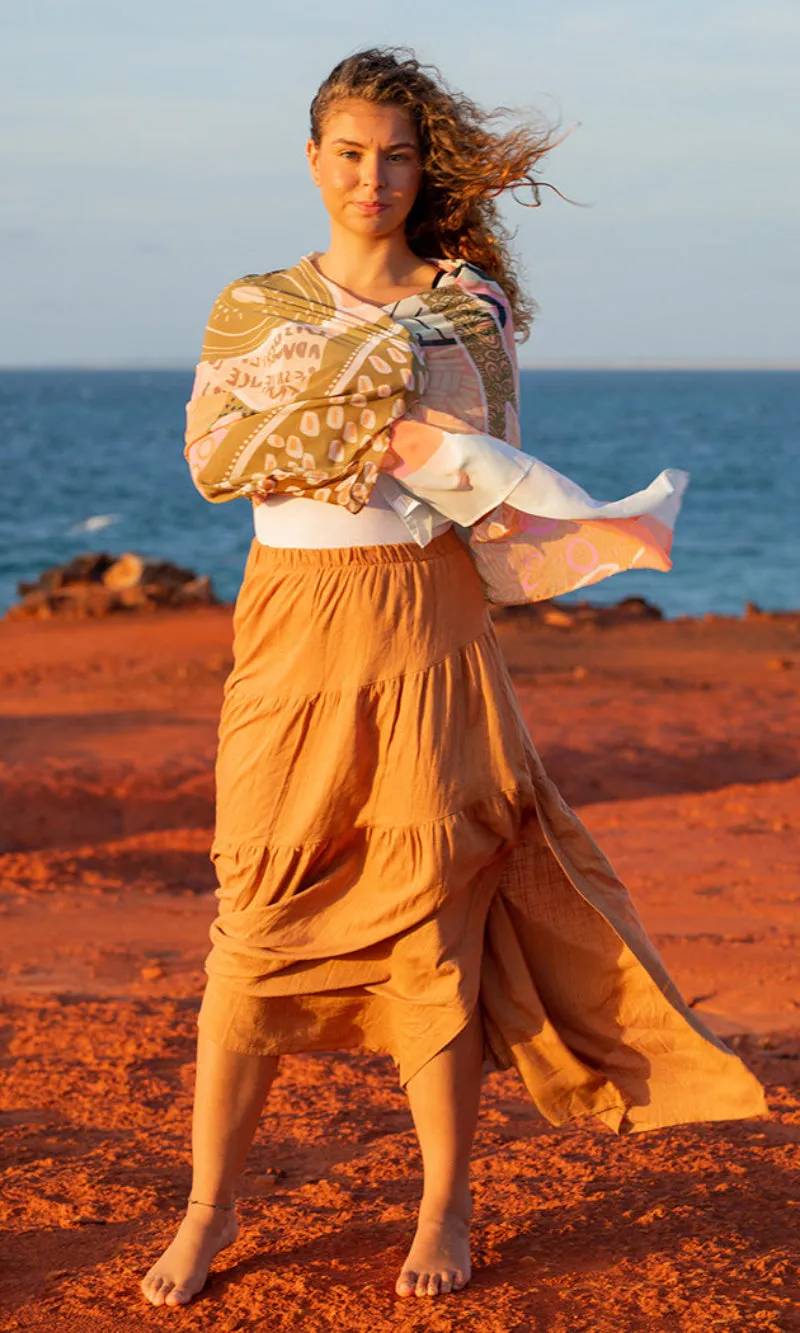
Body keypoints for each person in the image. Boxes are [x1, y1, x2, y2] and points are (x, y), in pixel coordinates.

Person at [140, 47, 766, 1308]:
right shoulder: (248, 305)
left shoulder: (465, 308)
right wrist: (378, 419)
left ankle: (444, 1199)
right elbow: (217, 455)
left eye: (396, 155)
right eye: (350, 153)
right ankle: (207, 1209)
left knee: (428, 911)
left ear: (423, 170)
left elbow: (490, 479)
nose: (372, 177)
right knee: (252, 911)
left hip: (423, 621)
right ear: (311, 159)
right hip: (288, 622)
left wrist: (495, 487)